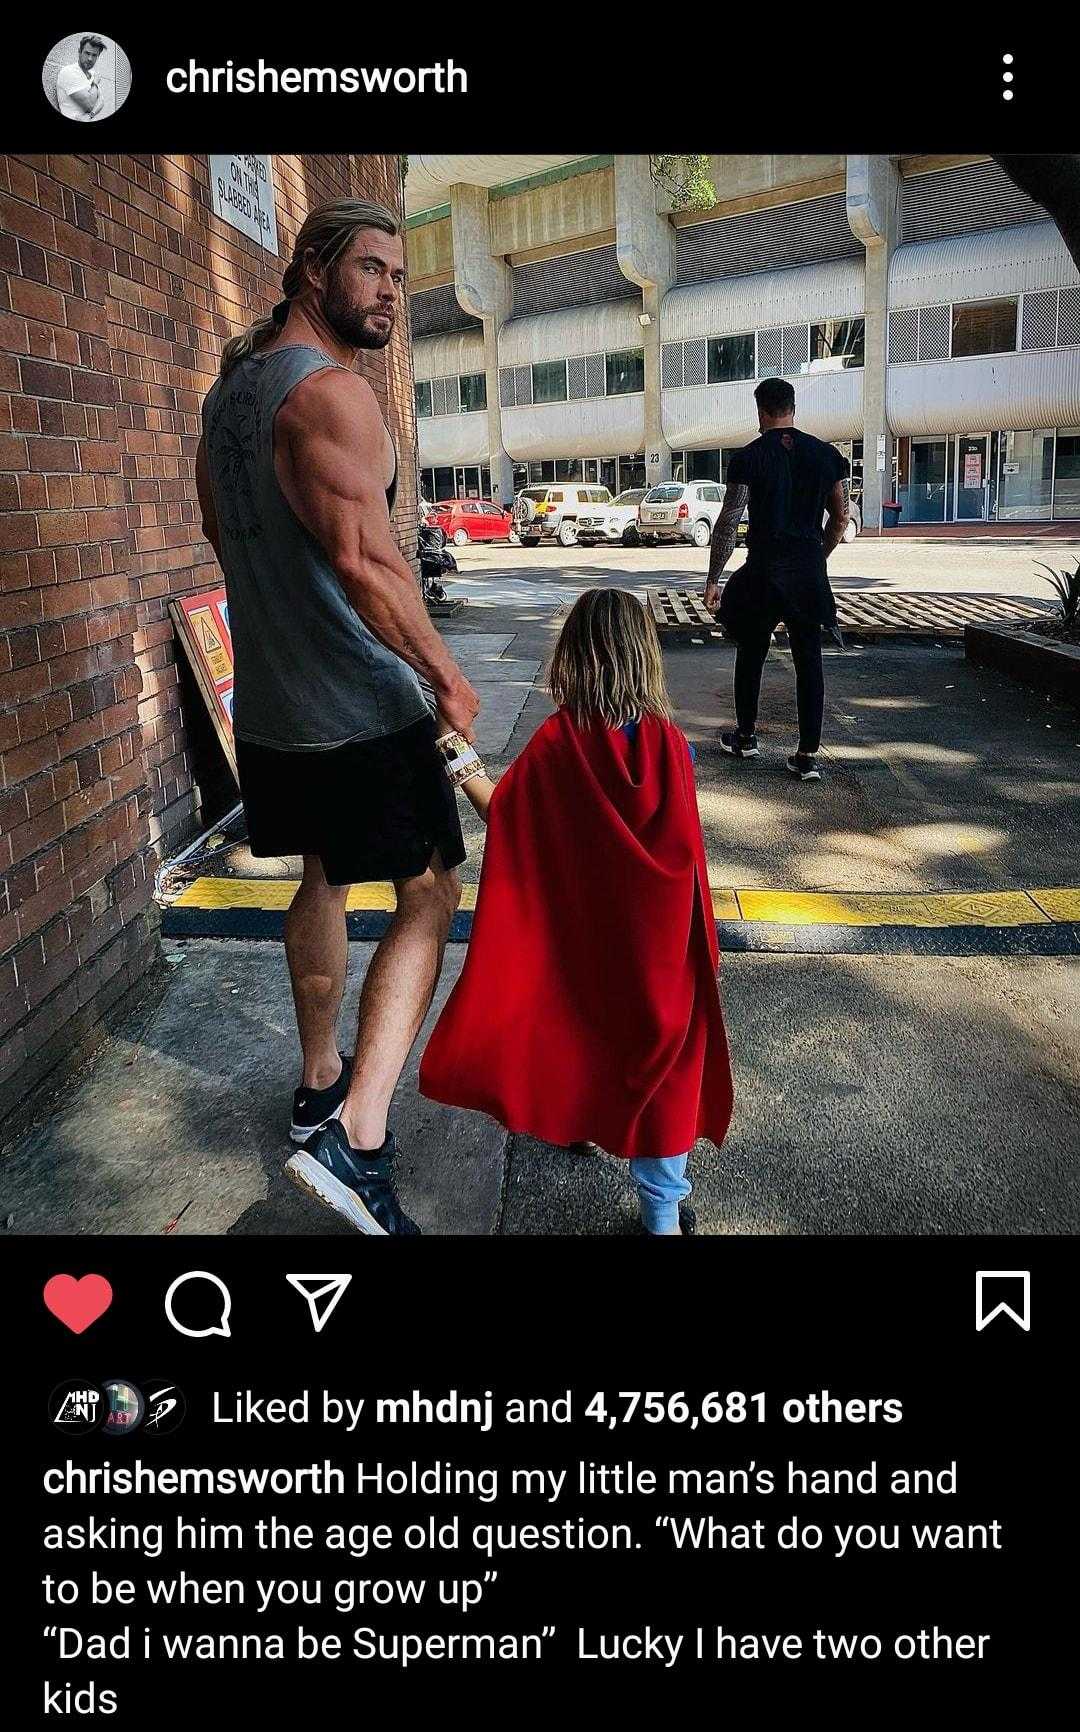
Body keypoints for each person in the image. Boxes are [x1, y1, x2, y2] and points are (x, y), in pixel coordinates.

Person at [195, 199, 480, 1236]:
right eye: (371, 269)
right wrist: (445, 674)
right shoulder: (328, 397)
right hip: (360, 706)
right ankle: (357, 1141)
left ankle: (320, 1078)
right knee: (430, 891)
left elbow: (225, 538)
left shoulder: (227, 401)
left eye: (400, 276)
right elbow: (366, 560)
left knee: (324, 874)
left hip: (272, 709)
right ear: (312, 269)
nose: (392, 292)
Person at [419, 589, 734, 1236]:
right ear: (646, 657)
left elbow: (508, 818)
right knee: (662, 1066)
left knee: (582, 1034)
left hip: (582, 941)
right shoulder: (675, 749)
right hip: (659, 946)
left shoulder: (560, 743)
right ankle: (663, 1217)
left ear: (574, 655)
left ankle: (583, 1123)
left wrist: (456, 756)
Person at [703, 378, 850, 782]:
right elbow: (841, 517)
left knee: (751, 653)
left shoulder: (749, 458)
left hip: (764, 572)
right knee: (809, 661)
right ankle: (807, 756)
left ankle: (747, 737)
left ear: (761, 411)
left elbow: (729, 521)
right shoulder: (826, 456)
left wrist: (714, 578)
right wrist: (817, 558)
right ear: (792, 408)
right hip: (807, 574)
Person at [55, 36, 107, 120]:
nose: (90, 59)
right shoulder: (68, 72)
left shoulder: (92, 73)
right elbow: (90, 105)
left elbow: (101, 101)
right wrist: (95, 83)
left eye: (94, 55)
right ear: (79, 52)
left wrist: (91, 115)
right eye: (87, 53)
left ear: (98, 57)